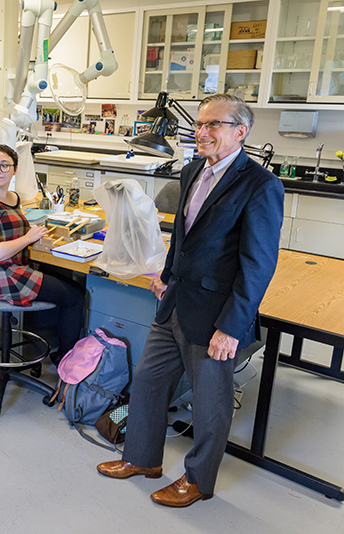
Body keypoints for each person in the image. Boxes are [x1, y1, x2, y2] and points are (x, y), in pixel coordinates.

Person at [96, 94, 284, 507]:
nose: (202, 132)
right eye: (199, 124)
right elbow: (183, 237)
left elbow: (258, 265)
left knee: (210, 403)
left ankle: (198, 481)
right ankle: (142, 459)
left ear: (240, 132)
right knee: (147, 381)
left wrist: (232, 327)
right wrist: (165, 278)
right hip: (176, 302)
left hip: (216, 315)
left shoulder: (261, 185)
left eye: (214, 125)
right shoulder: (193, 170)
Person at [0, 144, 85, 362]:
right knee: (75, 296)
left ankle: (60, 349)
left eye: (4, 165)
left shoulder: (12, 197)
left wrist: (34, 234)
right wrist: (29, 238)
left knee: (70, 281)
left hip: (15, 266)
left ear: (15, 169)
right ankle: (65, 361)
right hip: (0, 274)